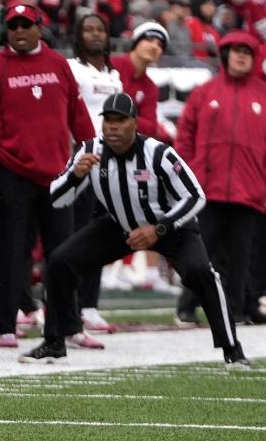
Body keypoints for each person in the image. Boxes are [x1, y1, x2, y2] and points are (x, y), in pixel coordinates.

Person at [22, 92, 249, 370]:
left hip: (169, 226)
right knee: (59, 261)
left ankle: (231, 348)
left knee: (202, 273)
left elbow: (195, 196)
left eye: (121, 120)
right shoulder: (90, 151)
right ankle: (56, 341)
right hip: (120, 225)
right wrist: (75, 176)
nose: (113, 127)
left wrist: (159, 228)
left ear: (134, 123)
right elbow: (56, 199)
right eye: (108, 121)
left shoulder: (159, 153)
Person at [0, 2, 95, 349]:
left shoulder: (58, 65)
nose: (19, 31)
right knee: (10, 252)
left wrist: (91, 154)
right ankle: (3, 325)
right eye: (13, 26)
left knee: (63, 254)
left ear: (39, 27)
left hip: (57, 175)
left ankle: (68, 324)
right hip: (12, 174)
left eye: (26, 25)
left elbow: (78, 116)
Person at [175, 32, 266, 325]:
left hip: (249, 190)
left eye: (246, 52)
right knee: (200, 253)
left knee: (242, 256)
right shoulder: (204, 92)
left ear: (254, 59)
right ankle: (187, 307)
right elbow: (185, 135)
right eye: (235, 51)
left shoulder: (263, 95)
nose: (240, 56)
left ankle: (236, 310)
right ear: (225, 55)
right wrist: (189, 173)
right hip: (206, 189)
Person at [67, 14, 124, 334]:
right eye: (87, 29)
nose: (95, 34)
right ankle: (66, 301)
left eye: (100, 29)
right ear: (78, 35)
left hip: (110, 166)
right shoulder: (72, 69)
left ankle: (89, 305)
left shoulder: (116, 76)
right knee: (75, 235)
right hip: (80, 160)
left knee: (101, 238)